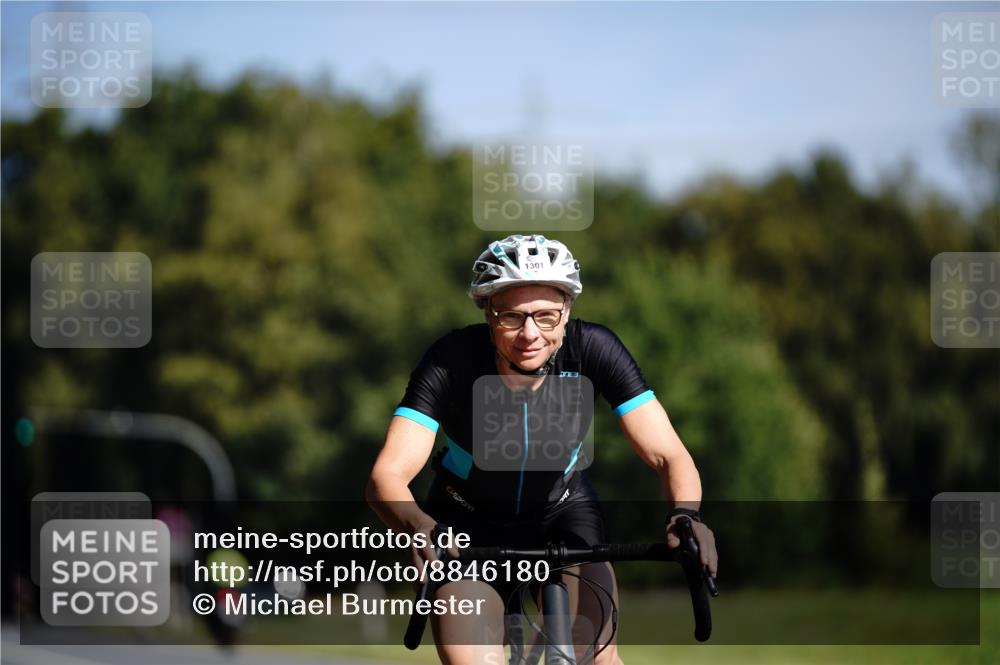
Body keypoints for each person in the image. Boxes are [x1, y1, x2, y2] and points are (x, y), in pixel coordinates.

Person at [367, 234, 717, 665]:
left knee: (598, 658)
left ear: (567, 312)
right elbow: (386, 477)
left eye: (546, 316)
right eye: (512, 316)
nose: (530, 334)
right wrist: (417, 523)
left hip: (563, 512)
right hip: (464, 524)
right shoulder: (451, 359)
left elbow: (669, 455)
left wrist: (686, 515)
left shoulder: (594, 349)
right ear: (487, 313)